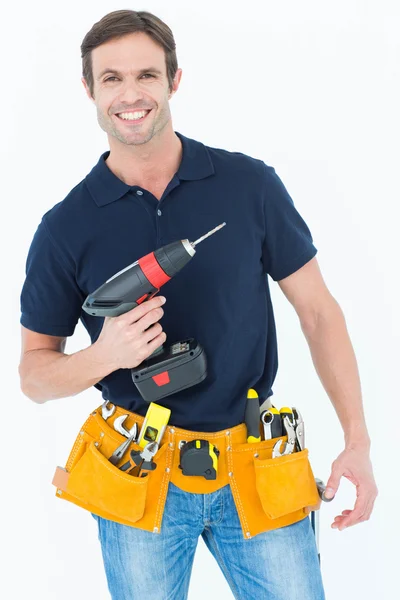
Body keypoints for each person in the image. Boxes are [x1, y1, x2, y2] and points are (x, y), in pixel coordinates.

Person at [18, 9, 378, 600]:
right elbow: (35, 375)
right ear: (88, 89)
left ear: (174, 80)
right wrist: (104, 355)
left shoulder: (249, 185)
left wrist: (357, 442)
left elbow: (319, 312)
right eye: (111, 78)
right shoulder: (64, 227)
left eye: (146, 75)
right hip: (137, 471)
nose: (130, 94)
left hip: (257, 460)